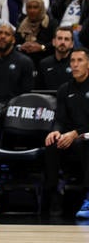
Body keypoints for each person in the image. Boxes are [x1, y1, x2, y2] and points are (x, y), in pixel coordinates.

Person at [44, 47, 89, 219]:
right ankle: (54, 195)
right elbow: (60, 119)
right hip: (71, 137)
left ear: (88, 64)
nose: (75, 65)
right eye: (72, 61)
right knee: (51, 143)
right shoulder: (64, 89)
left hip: (85, 137)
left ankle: (87, 197)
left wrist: (75, 133)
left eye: (80, 61)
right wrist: (55, 131)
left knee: (85, 142)